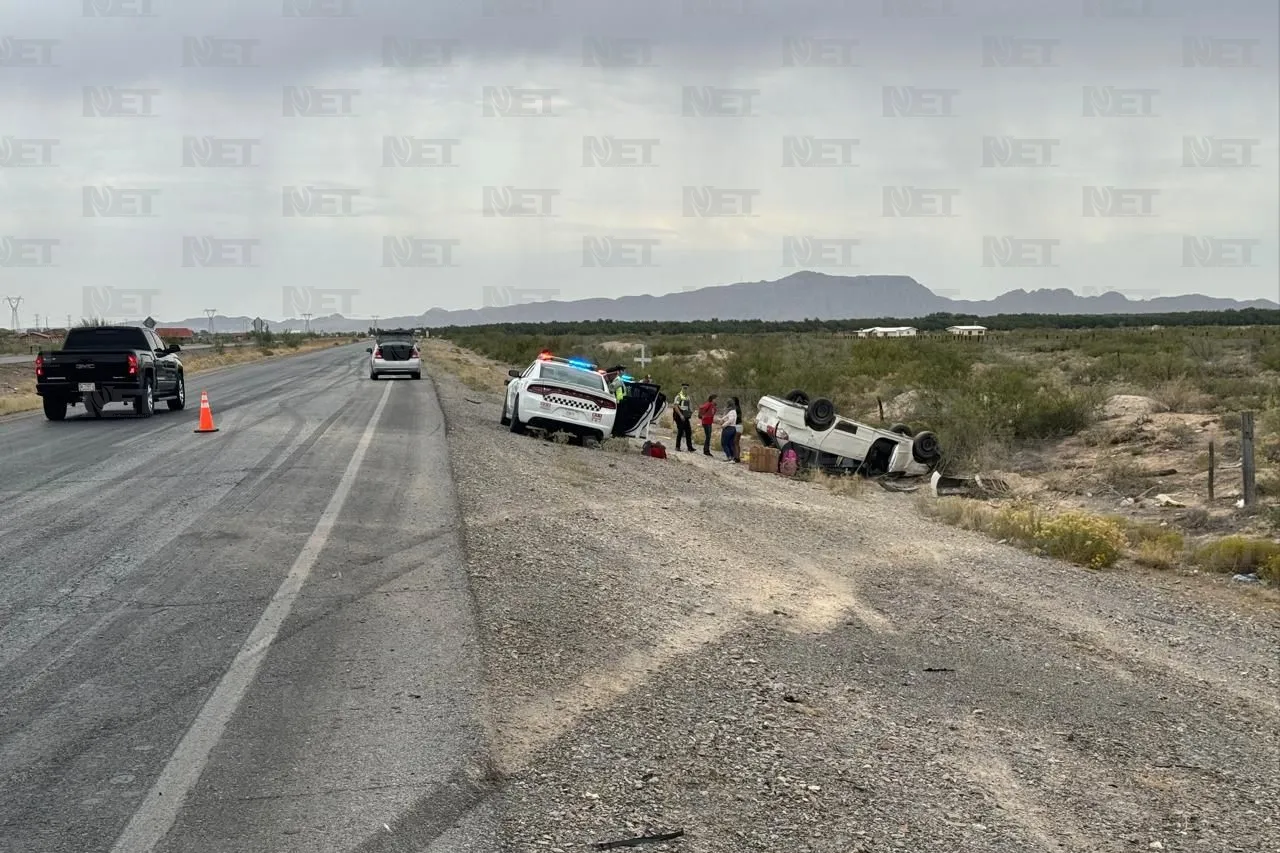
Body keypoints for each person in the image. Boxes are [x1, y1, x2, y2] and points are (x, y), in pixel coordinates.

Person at [672, 383, 694, 452]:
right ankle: (677, 447)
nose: (685, 389)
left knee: (688, 431)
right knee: (680, 431)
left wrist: (690, 411)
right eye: (684, 388)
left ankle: (690, 447)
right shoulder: (679, 396)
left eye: (686, 388)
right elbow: (676, 406)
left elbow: (689, 406)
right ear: (682, 388)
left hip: (686, 415)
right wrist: (681, 415)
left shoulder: (687, 396)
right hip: (679, 415)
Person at [720, 396, 740, 462]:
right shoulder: (733, 411)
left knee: (724, 443)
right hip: (733, 428)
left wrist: (723, 425)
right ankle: (732, 457)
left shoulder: (731, 412)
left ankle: (729, 456)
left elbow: (731, 420)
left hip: (729, 428)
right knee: (730, 443)